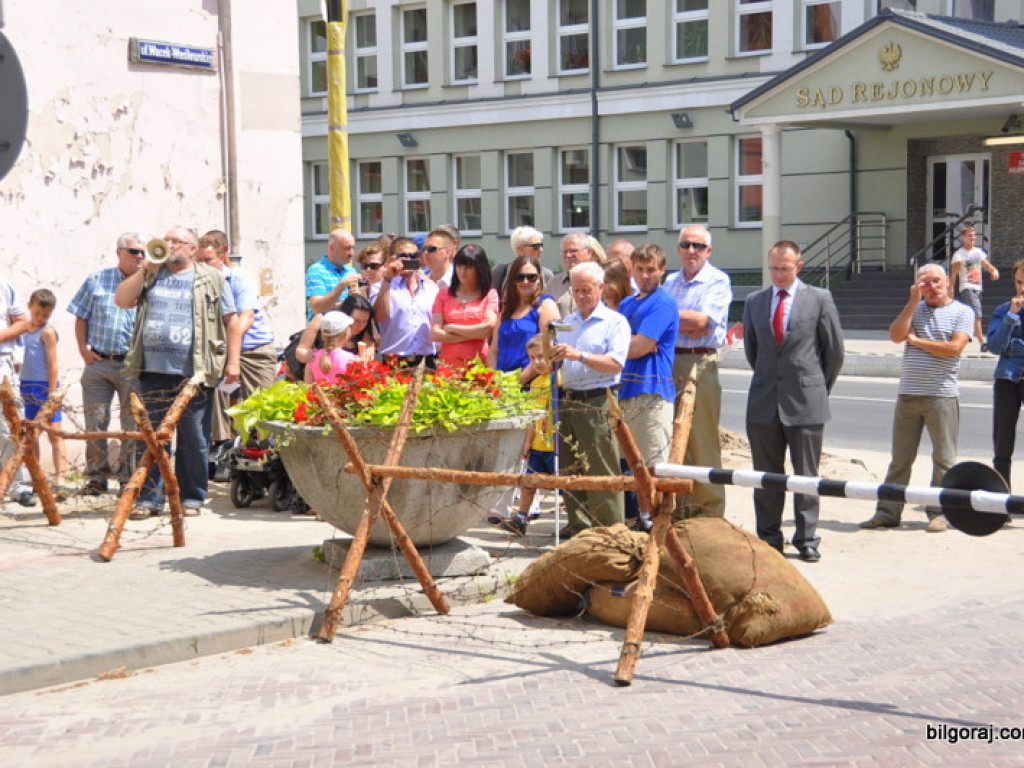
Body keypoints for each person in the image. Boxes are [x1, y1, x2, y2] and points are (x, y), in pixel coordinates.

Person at [115, 226, 240, 518]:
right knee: (153, 436)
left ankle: (192, 497)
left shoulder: (212, 278)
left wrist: (232, 362)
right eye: (167, 239)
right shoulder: (151, 274)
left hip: (195, 371)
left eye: (177, 241)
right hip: (152, 370)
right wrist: (144, 270)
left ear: (192, 249)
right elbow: (122, 300)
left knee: (193, 437)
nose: (169, 244)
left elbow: (231, 321)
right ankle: (150, 498)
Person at [743, 241, 845, 562]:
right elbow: (753, 351)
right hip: (763, 403)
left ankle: (807, 539)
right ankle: (769, 538)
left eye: (785, 268)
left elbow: (834, 353)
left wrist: (815, 388)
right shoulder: (754, 302)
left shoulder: (819, 299)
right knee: (766, 476)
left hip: (806, 402)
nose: (778, 274)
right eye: (773, 268)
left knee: (806, 475)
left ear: (798, 266)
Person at [859, 263, 974, 533]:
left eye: (936, 281)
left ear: (947, 281)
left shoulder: (962, 311)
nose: (931, 288)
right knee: (900, 459)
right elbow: (897, 336)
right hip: (908, 394)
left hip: (941, 395)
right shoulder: (915, 310)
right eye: (924, 283)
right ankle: (887, 512)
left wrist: (918, 341)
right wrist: (912, 303)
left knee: (944, 460)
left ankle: (940, 513)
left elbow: (954, 349)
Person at [551, 262, 631, 536]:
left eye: (587, 290)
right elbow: (554, 364)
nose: (582, 296)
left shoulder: (615, 322)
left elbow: (616, 363)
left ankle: (611, 532)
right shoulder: (564, 324)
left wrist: (579, 355)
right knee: (571, 467)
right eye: (577, 290)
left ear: (601, 288)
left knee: (602, 469)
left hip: (598, 400)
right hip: (568, 400)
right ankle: (579, 528)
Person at [663, 223, 732, 518]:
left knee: (702, 440)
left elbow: (702, 324)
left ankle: (709, 512)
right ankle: (679, 509)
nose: (692, 251)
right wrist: (683, 321)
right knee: (673, 438)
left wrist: (666, 318)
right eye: (686, 245)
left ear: (709, 251)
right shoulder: (669, 282)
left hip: (699, 361)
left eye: (698, 246)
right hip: (668, 360)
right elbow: (686, 323)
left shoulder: (717, 280)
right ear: (678, 249)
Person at [67, 232, 144, 495]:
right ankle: (97, 477)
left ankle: (127, 478)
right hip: (99, 361)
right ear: (119, 252)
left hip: (131, 364)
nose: (140, 257)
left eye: (143, 252)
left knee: (131, 424)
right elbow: (81, 316)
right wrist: (82, 350)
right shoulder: (97, 279)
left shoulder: (148, 282)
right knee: (95, 421)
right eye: (134, 251)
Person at [617, 244, 679, 532]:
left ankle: (656, 521)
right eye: (639, 269)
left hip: (651, 391)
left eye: (651, 269)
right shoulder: (627, 304)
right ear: (631, 269)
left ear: (662, 270)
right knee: (627, 464)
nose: (644, 275)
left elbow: (641, 345)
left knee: (652, 465)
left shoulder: (663, 302)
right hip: (624, 390)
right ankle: (637, 518)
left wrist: (610, 351)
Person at [197, 231, 277, 447]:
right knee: (217, 399)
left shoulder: (239, 278)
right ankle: (222, 446)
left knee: (261, 402)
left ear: (222, 257)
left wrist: (229, 346)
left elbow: (246, 316)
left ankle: (263, 448)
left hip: (253, 348)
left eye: (208, 260)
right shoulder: (198, 283)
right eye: (200, 261)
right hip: (219, 350)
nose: (203, 265)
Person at [500, 334, 558, 536]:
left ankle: (573, 522)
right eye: (532, 358)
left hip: (556, 444)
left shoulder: (560, 379)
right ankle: (521, 518)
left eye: (541, 356)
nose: (537, 362)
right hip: (539, 444)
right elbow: (533, 416)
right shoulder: (535, 383)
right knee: (529, 483)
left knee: (564, 485)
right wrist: (528, 441)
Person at [19, 289, 68, 494]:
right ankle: (36, 477)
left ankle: (61, 478)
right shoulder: (21, 330)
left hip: (44, 386)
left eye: (45, 315)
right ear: (29, 306)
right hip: (25, 386)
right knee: (31, 434)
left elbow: (53, 363)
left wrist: (52, 393)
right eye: (37, 313)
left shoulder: (47, 332)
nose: (40, 318)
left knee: (54, 432)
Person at [986, 258, 1024, 488]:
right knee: (1002, 443)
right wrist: (1011, 318)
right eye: (1019, 282)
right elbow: (995, 346)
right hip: (1008, 380)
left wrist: (1015, 347)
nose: (1022, 289)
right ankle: (1001, 499)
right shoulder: (1003, 311)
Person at [372, 237, 438, 366]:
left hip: (426, 360)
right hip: (395, 361)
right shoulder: (380, 287)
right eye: (403, 256)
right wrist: (387, 279)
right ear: (392, 259)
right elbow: (380, 316)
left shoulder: (431, 289)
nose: (408, 260)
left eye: (413, 256)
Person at [487, 254, 558, 373]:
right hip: (502, 384)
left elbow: (548, 349)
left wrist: (519, 381)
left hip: (532, 384)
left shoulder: (545, 305)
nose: (525, 281)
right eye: (520, 277)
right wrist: (494, 381)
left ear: (539, 278)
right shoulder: (506, 310)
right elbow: (494, 350)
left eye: (531, 277)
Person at [430, 245, 499, 365]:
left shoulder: (489, 294)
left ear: (479, 269)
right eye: (459, 266)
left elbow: (487, 330)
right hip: (449, 366)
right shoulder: (443, 294)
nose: (461, 272)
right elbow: (435, 334)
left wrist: (451, 328)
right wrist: (474, 335)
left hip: (478, 366)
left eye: (468, 267)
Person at [0, 277, 31, 506]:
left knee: (10, 426)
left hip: (2, 364)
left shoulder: (5, 285)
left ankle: (17, 486)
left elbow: (22, 323)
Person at [949, 226, 999, 350]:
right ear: (963, 237)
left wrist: (994, 270)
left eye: (974, 235)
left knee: (970, 313)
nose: (972, 238)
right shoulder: (959, 255)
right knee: (977, 314)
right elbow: (954, 274)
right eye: (969, 235)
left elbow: (986, 264)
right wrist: (950, 289)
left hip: (978, 287)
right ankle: (982, 342)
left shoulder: (978, 252)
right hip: (967, 287)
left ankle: (963, 336)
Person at [305, 228, 359, 319]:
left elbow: (354, 305)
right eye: (347, 248)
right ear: (332, 248)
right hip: (323, 330)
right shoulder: (316, 271)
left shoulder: (351, 271)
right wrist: (342, 285)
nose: (352, 253)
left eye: (353, 248)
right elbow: (318, 308)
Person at [552, 232, 604, 318]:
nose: (568, 255)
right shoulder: (554, 284)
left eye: (573, 251)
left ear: (589, 252)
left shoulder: (602, 279)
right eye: (565, 252)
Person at [491, 226, 554, 296]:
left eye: (541, 246)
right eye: (536, 246)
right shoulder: (500, 272)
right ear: (520, 250)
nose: (541, 250)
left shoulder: (546, 275)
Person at [305, 311, 362, 385]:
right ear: (346, 334)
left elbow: (308, 388)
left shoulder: (312, 358)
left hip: (319, 397)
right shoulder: (351, 359)